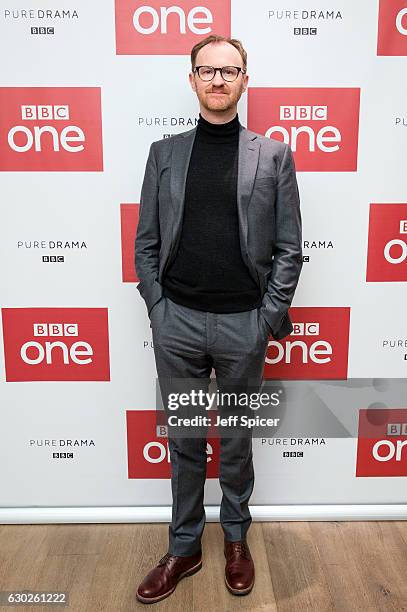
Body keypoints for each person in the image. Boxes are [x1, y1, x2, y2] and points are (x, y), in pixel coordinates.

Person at [134, 34, 303, 604]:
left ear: (244, 80)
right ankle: (183, 547)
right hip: (176, 321)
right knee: (183, 441)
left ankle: (235, 540)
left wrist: (267, 317)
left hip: (242, 326)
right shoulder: (164, 152)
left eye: (230, 70)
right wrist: (158, 307)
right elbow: (146, 242)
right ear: (192, 80)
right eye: (207, 70)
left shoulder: (274, 156)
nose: (218, 79)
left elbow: (288, 246)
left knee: (234, 440)